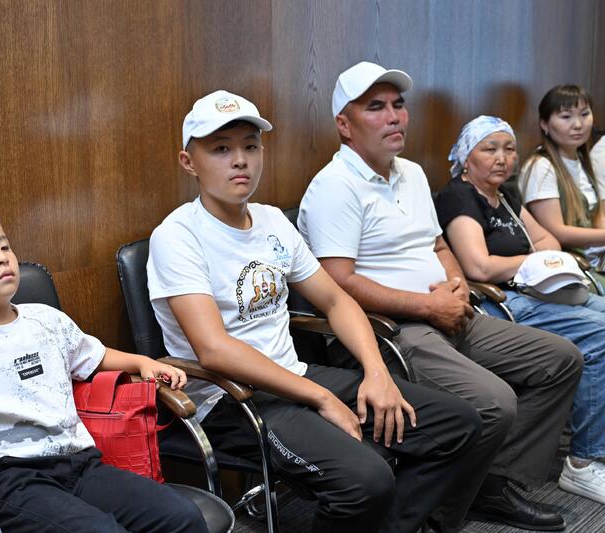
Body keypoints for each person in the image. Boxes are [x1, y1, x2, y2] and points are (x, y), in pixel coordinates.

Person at [148, 89, 482, 533]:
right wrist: (321, 398)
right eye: (221, 149)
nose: (240, 161)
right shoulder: (177, 236)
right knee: (365, 481)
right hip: (233, 399)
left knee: (459, 424)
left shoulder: (271, 221)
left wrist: (376, 373)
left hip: (296, 375)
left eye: (250, 146)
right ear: (189, 162)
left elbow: (336, 300)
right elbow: (214, 350)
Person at [298, 62, 583, 532]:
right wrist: (428, 306)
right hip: (390, 329)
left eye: (398, 105)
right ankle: (439, 515)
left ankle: (490, 482)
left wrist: (455, 285)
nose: (394, 116)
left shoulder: (410, 173)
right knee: (495, 402)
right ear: (344, 125)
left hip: (446, 310)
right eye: (376, 108)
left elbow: (439, 246)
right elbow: (337, 282)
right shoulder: (334, 187)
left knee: (561, 359)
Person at [0, 206, 207, 533]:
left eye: (4, 246)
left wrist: (141, 362)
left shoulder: (45, 320)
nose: (1, 257)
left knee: (182, 517)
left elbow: (94, 357)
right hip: (8, 480)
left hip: (80, 464)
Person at [436, 114, 605, 505]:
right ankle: (583, 463)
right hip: (499, 301)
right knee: (599, 334)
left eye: (509, 149)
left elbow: (548, 241)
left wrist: (531, 262)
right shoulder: (458, 196)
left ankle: (597, 435)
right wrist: (529, 263)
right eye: (490, 149)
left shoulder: (506, 194)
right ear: (466, 157)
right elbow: (478, 267)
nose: (502, 158)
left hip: (533, 290)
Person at [519, 85, 605, 271]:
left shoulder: (583, 160)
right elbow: (557, 232)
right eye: (566, 117)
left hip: (596, 260)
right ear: (544, 124)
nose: (578, 125)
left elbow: (599, 215)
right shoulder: (541, 166)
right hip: (570, 266)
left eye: (585, 114)